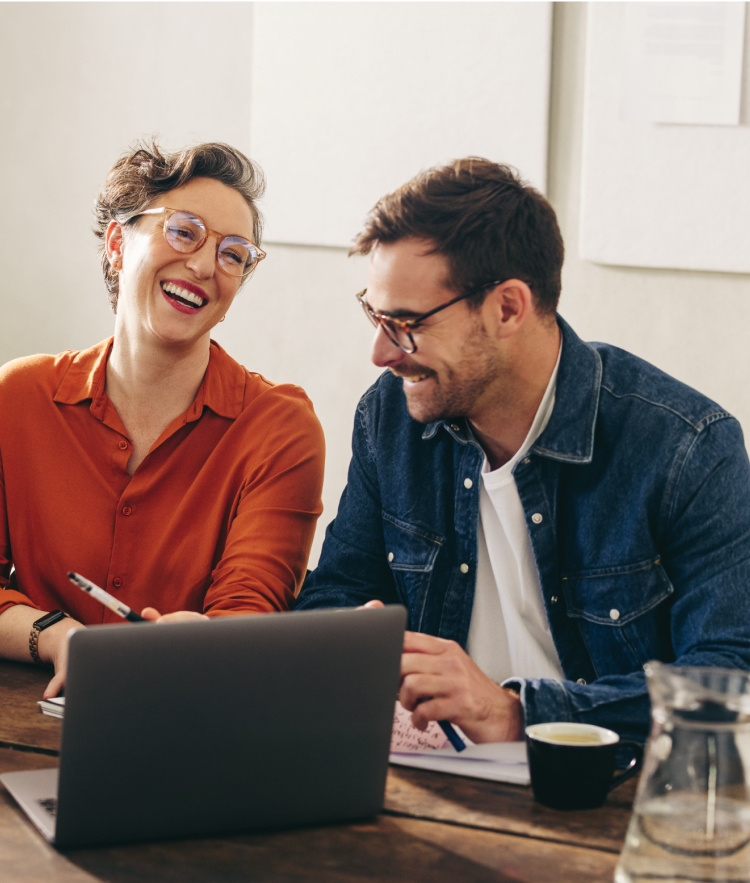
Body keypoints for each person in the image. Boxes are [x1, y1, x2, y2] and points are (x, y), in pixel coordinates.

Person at [295, 157, 750, 744]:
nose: (381, 353)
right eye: (375, 315)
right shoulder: (390, 416)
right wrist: (345, 641)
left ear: (508, 307)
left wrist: (516, 714)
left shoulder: (687, 447)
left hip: (606, 795)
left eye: (406, 323)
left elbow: (726, 686)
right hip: (436, 779)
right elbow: (338, 593)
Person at [0, 140, 325, 697]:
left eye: (232, 254)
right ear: (117, 243)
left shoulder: (279, 427)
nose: (204, 265)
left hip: (193, 721)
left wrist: (206, 642)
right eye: (184, 231)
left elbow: (250, 612)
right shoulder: (18, 397)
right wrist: (59, 638)